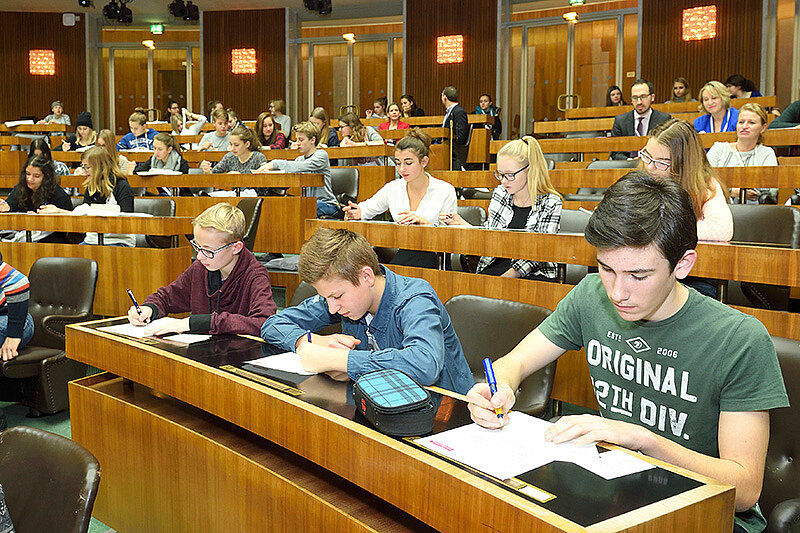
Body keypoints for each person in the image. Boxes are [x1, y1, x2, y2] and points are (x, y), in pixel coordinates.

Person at [466, 172, 788, 533]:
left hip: (707, 513)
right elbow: (517, 361)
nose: (618, 292)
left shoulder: (740, 339)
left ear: (683, 265)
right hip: (621, 496)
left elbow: (743, 491)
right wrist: (501, 386)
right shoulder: (591, 296)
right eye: (606, 268)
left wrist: (642, 439)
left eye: (639, 275)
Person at [261, 227, 474, 394]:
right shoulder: (338, 297)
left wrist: (341, 361)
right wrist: (310, 341)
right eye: (326, 298)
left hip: (446, 413)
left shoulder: (416, 298)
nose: (332, 308)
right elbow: (272, 324)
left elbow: (425, 364)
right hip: (381, 402)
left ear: (366, 276)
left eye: (337, 296)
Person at [127, 203, 276, 336]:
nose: (199, 256)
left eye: (208, 250)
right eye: (197, 247)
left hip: (239, 354)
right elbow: (167, 297)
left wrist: (199, 323)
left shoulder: (255, 276)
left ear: (236, 248)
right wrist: (149, 309)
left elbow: (263, 323)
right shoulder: (201, 267)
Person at [440, 136, 562, 280]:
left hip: (534, 274)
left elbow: (539, 253)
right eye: (500, 174)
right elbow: (490, 236)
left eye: (510, 175)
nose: (504, 181)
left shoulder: (551, 202)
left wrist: (503, 280)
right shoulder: (501, 193)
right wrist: (463, 225)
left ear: (529, 170)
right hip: (497, 265)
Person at [343, 129, 456, 269]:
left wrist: (427, 226)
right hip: (404, 253)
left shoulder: (445, 190)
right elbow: (367, 208)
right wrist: (355, 211)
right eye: (398, 163)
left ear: (424, 161)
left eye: (408, 163)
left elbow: (451, 235)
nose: (402, 169)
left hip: (434, 256)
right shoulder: (393, 188)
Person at [641, 118, 733, 243]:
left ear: (683, 164)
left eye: (661, 162)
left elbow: (721, 230)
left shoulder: (706, 184)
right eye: (647, 156)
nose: (650, 167)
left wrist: (659, 230)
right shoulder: (643, 176)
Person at [40, 146, 136, 247]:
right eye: (83, 167)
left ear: (100, 167)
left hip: (118, 240)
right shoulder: (91, 187)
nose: (84, 171)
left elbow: (126, 222)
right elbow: (84, 216)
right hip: (93, 239)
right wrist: (59, 212)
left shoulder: (122, 187)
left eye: (87, 167)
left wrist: (61, 211)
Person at [256, 121, 338, 217]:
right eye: (296, 140)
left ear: (312, 140)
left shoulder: (321, 155)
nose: (297, 143)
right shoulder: (299, 159)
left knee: (308, 206)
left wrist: (275, 163)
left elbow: (302, 166)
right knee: (287, 204)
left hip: (327, 204)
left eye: (301, 140)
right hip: (307, 202)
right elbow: (290, 175)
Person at [706, 103, 777, 204]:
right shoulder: (719, 149)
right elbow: (705, 181)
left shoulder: (766, 153)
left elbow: (771, 191)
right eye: (741, 122)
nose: (744, 126)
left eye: (751, 123)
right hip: (719, 205)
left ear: (763, 128)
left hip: (754, 209)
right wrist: (732, 191)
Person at [610, 79, 671, 160]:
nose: (639, 102)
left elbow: (666, 149)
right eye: (635, 98)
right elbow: (615, 153)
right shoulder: (620, 121)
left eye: (643, 97)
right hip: (627, 165)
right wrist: (630, 161)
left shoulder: (663, 120)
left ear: (652, 97)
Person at [0, 155, 73, 222]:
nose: (30, 179)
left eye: (36, 176)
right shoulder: (21, 188)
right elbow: (11, 204)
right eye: (28, 174)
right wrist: (7, 207)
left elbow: (71, 220)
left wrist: (40, 218)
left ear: (46, 177)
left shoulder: (59, 195)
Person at [200, 126, 266, 176]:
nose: (232, 148)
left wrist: (240, 178)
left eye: (236, 145)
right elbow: (213, 174)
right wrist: (207, 171)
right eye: (231, 144)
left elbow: (263, 183)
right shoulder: (229, 157)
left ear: (247, 144)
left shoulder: (258, 158)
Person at [442, 86, 469, 170]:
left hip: (454, 154)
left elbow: (460, 137)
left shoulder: (459, 111)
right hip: (447, 151)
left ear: (445, 97)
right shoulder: (451, 111)